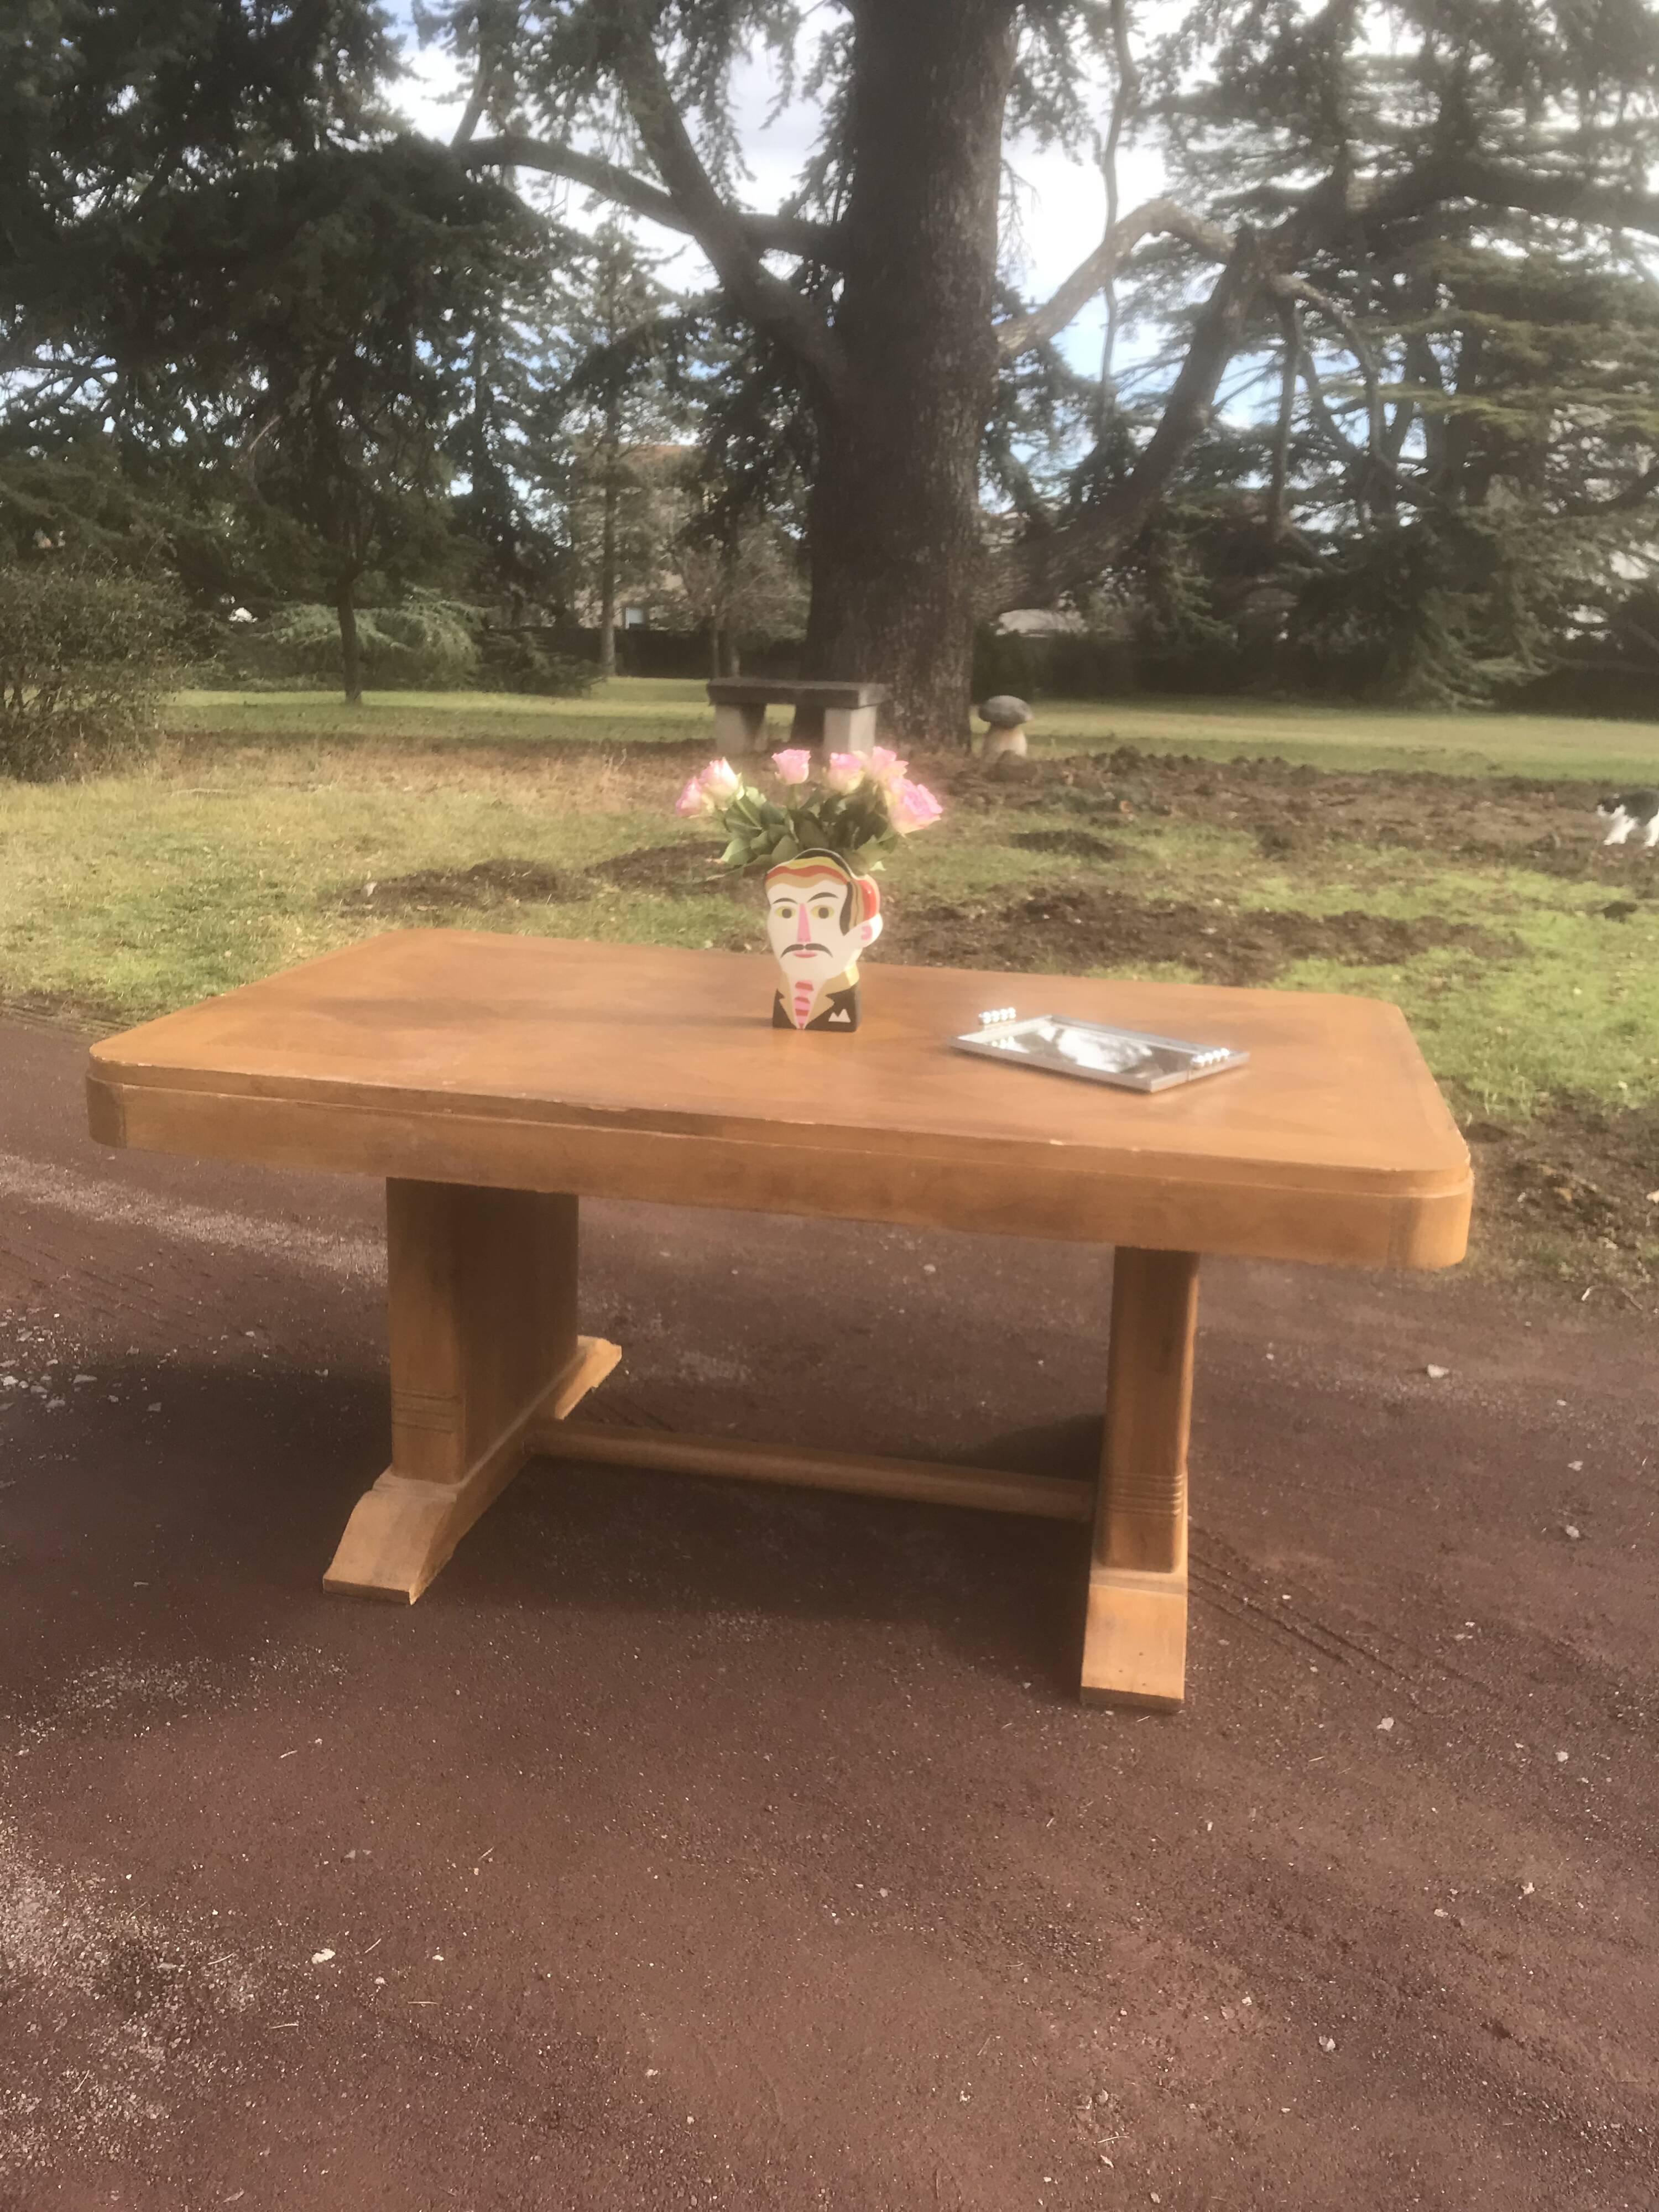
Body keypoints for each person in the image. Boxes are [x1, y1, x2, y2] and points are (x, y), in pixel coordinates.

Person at [763, 849, 883, 1031]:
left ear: (862, 929)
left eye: (823, 912)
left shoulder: (843, 998)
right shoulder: (784, 994)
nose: (803, 935)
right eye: (786, 912)